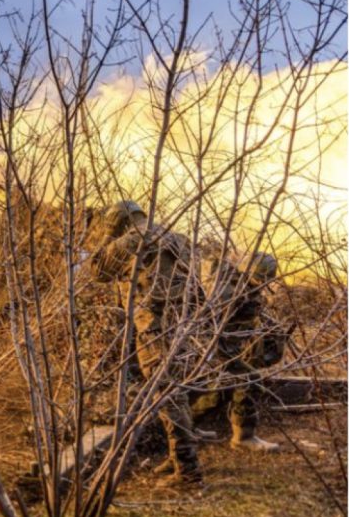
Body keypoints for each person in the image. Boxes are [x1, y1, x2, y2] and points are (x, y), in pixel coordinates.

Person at [86, 200, 204, 487]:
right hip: (180, 326)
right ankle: (177, 457)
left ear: (119, 220)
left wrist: (107, 234)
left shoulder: (131, 240)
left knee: (166, 392)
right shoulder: (174, 236)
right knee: (175, 390)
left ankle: (188, 470)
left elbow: (98, 271)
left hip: (153, 327)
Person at [197, 249, 285, 451]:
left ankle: (188, 427)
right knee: (250, 380)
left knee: (219, 391)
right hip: (216, 350)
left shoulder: (244, 286)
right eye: (260, 278)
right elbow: (207, 325)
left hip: (226, 350)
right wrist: (212, 356)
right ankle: (243, 438)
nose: (262, 284)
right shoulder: (227, 291)